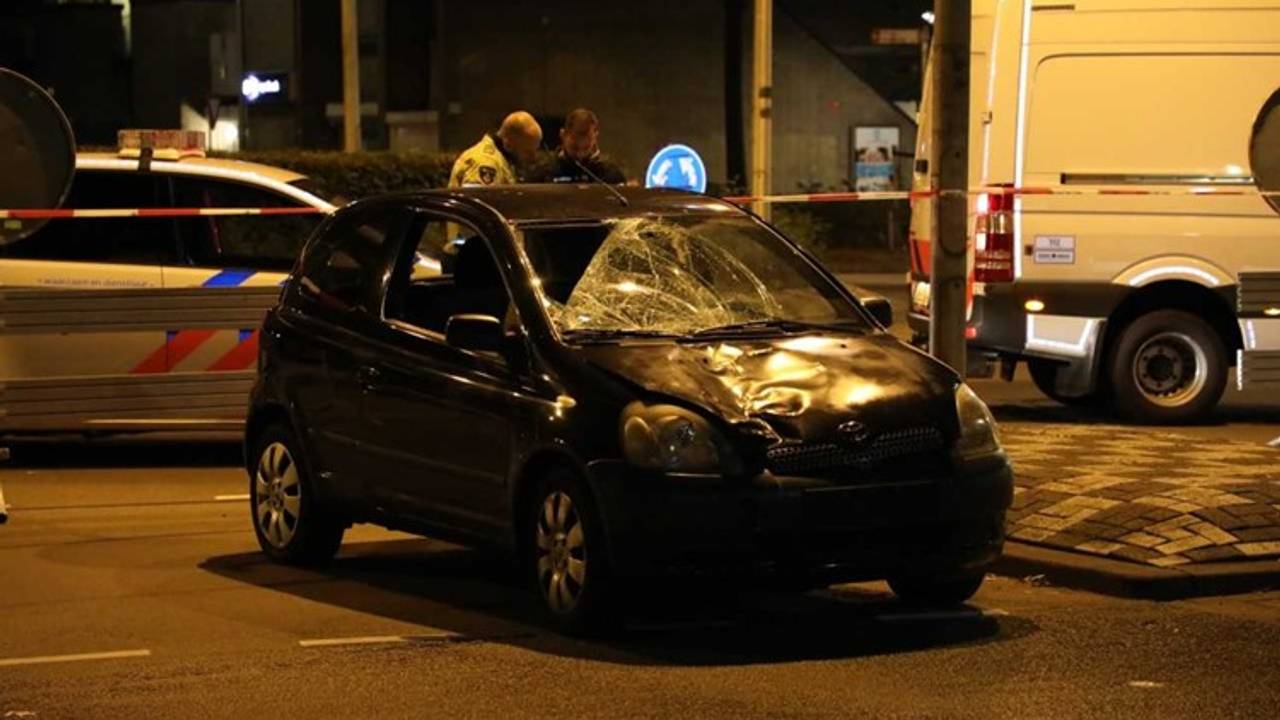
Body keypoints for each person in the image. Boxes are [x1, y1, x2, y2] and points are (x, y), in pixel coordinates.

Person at [449, 111, 543, 188]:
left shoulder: (502, 160)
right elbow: (479, 204)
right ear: (509, 144)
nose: (533, 157)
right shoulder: (486, 162)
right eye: (527, 151)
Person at [533, 108, 626, 184]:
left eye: (586, 148)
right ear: (562, 135)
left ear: (595, 137)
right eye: (574, 148)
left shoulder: (610, 172)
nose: (580, 155)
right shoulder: (544, 170)